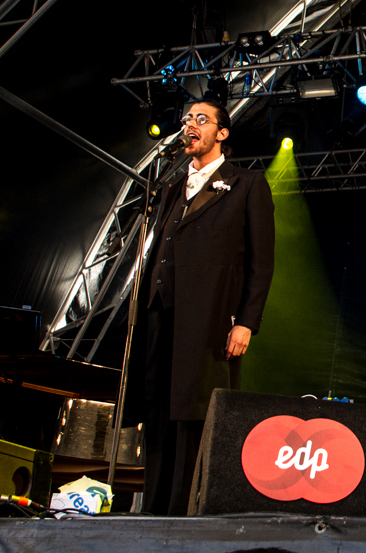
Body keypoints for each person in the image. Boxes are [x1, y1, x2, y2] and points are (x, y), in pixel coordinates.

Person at [125, 99, 275, 514]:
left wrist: (246, 322)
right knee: (157, 409)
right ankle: (151, 509)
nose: (190, 124)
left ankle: (184, 512)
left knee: (193, 412)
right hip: (161, 312)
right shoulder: (171, 189)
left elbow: (262, 264)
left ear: (222, 133)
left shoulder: (246, 184)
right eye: (187, 118)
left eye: (201, 119)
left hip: (209, 317)